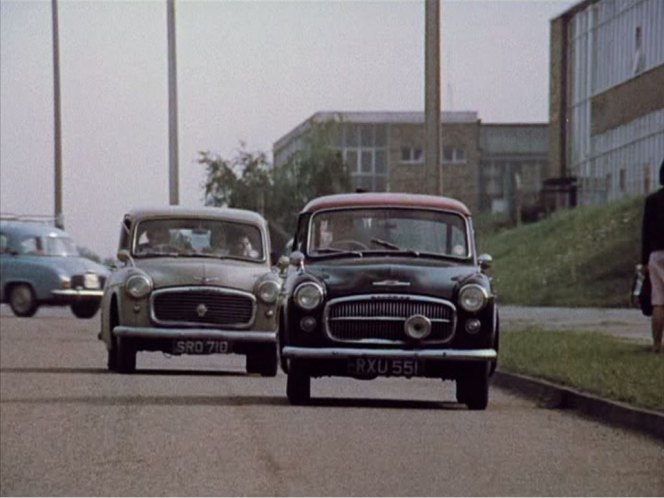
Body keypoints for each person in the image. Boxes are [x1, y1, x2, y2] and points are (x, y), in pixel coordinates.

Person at [641, 159, 664, 353]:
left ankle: (657, 344)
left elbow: (645, 233)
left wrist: (643, 261)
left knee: (658, 301)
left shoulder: (652, 201)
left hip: (656, 254)